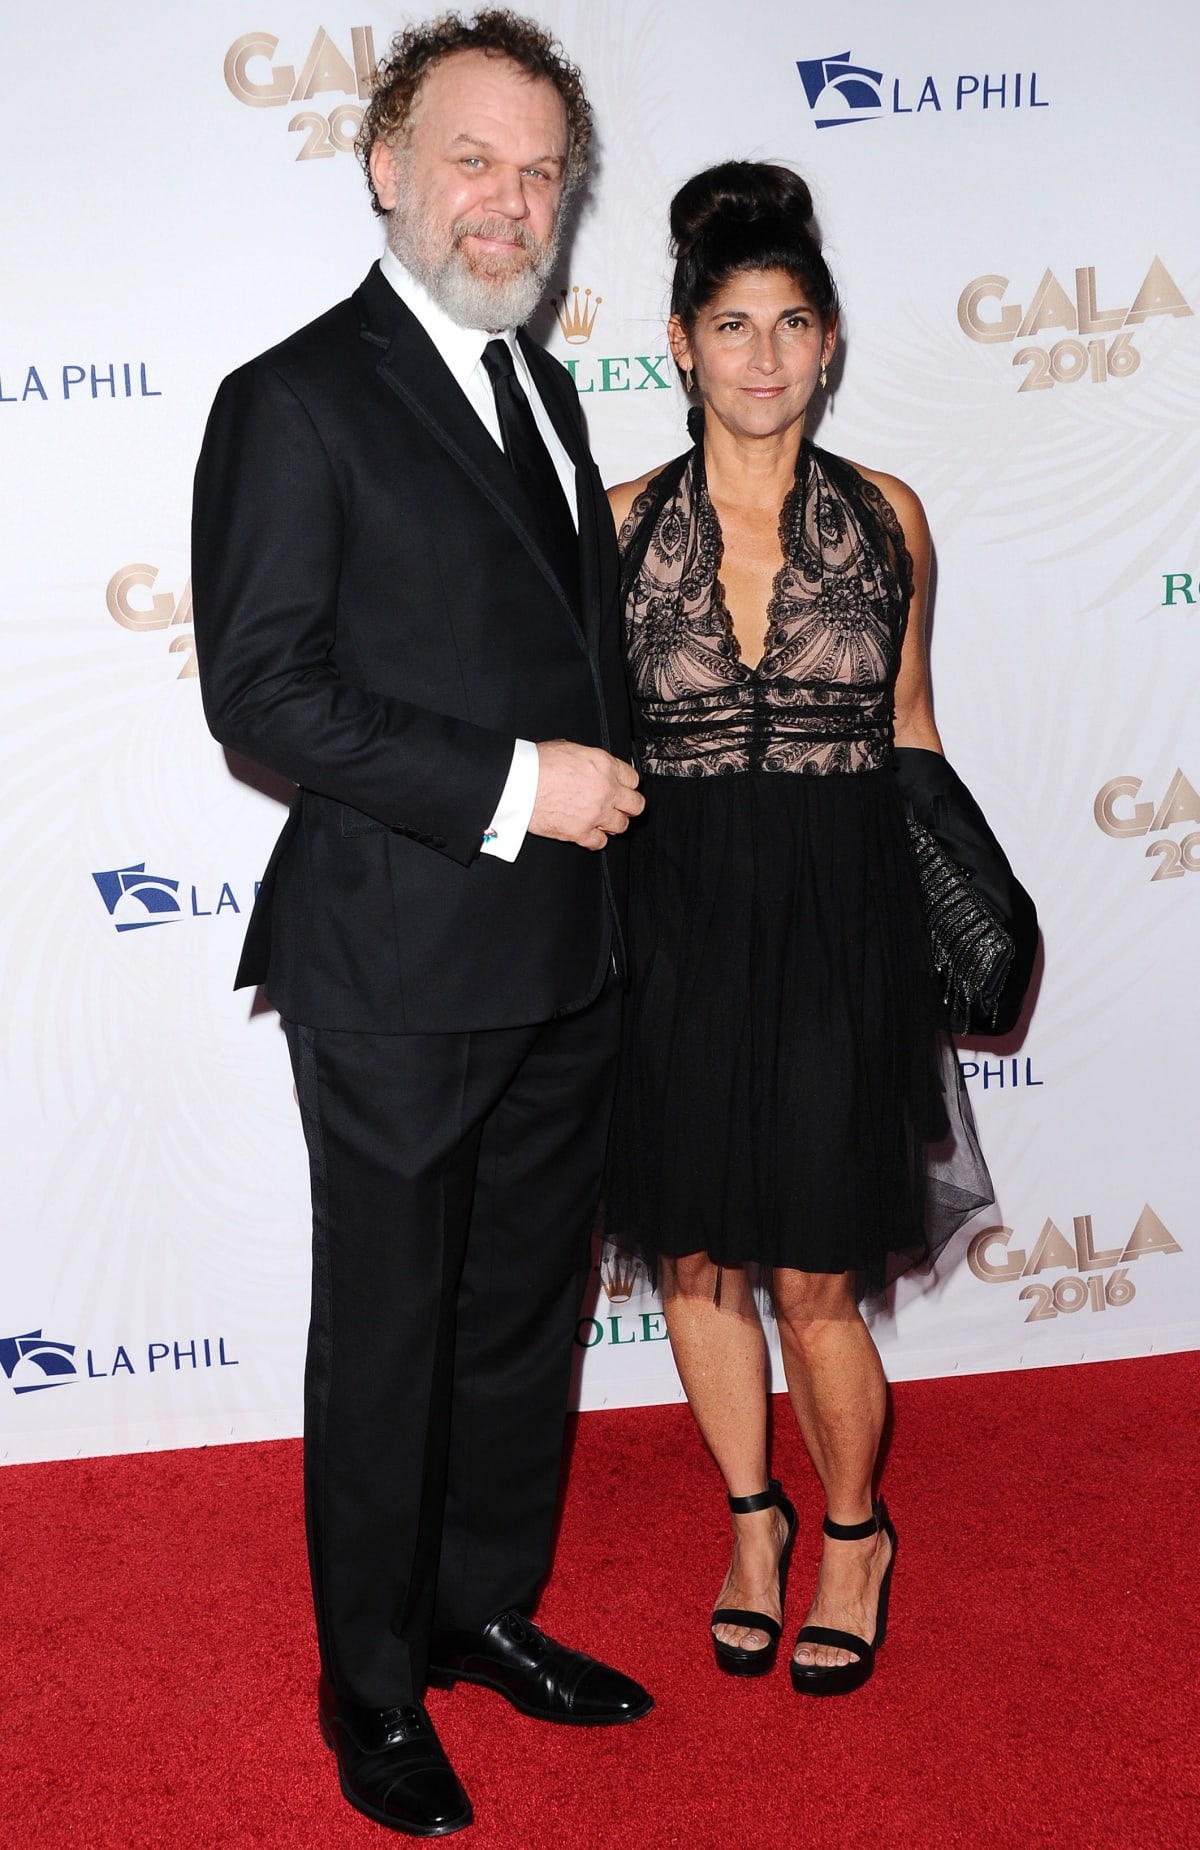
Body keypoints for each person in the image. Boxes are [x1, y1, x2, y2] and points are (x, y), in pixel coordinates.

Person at [191, 11, 650, 1836]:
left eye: (542, 171)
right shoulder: (292, 399)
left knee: (520, 1324)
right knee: (389, 1333)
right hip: (393, 965)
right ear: (386, 167)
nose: (511, 199)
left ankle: (477, 1612)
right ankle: (369, 1684)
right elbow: (266, 697)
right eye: (475, 157)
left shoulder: (541, 385)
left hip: (564, 962)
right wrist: (513, 782)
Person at [605, 162, 990, 1698]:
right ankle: (750, 1520)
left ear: (827, 345)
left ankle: (851, 1534)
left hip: (843, 936)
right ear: (682, 346)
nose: (762, 354)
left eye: (792, 324)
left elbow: (911, 729)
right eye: (729, 324)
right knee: (700, 1265)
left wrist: (976, 906)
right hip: (680, 932)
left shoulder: (888, 516)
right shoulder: (622, 527)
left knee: (818, 1283)